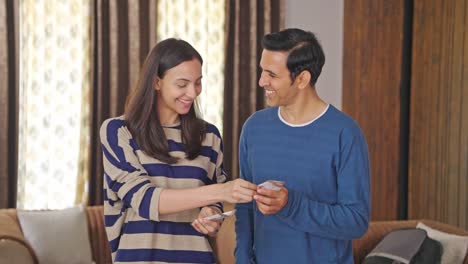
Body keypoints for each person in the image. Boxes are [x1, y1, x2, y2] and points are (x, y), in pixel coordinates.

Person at [100, 38, 257, 263]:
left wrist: (211, 215)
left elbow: (213, 205)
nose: (193, 93)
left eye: (198, 83)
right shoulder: (118, 131)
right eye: (182, 84)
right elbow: (145, 201)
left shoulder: (209, 136)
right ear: (156, 82)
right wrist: (222, 191)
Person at [235, 28, 371, 264]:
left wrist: (292, 205)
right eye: (261, 71)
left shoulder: (345, 134)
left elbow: (356, 221)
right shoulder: (253, 129)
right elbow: (245, 209)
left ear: (302, 79)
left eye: (271, 74)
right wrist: (242, 259)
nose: (261, 81)